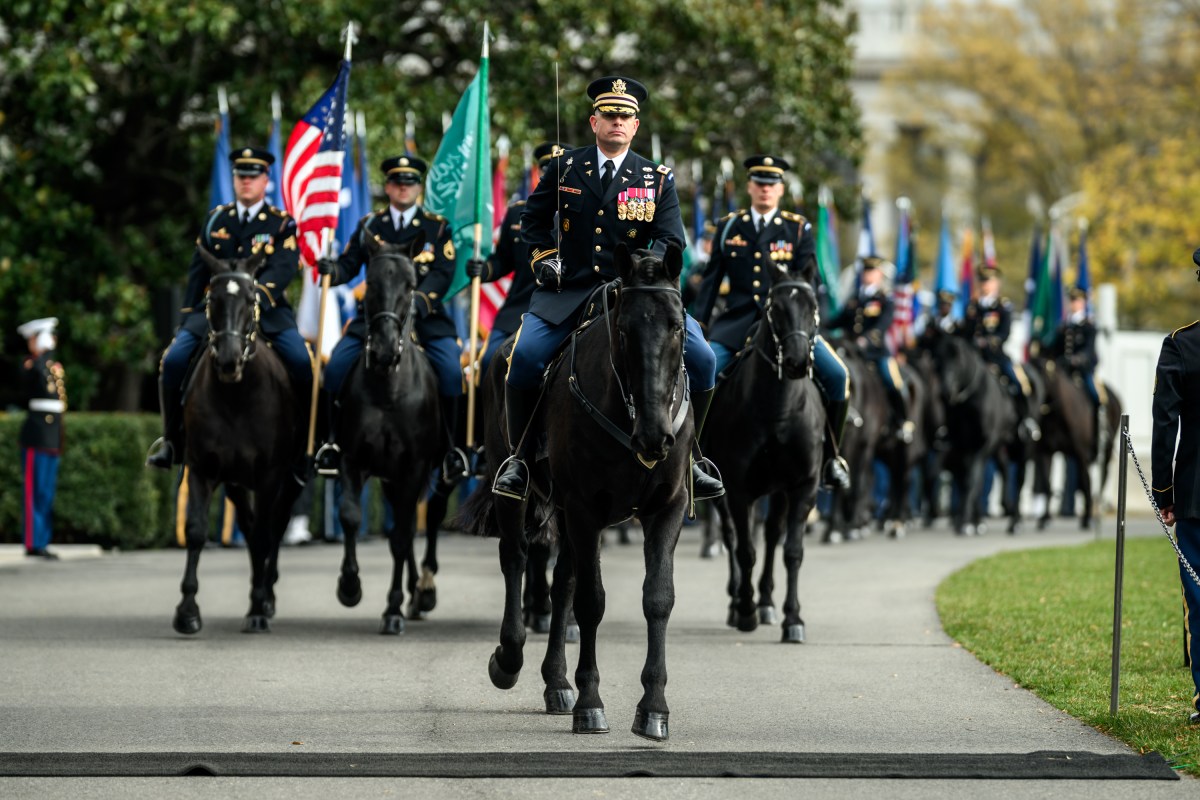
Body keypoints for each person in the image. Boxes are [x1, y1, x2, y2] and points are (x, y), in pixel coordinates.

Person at [493, 75, 721, 501]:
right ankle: (521, 461)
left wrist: (640, 271)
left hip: (639, 296)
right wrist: (544, 258)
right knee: (523, 359)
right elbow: (533, 222)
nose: (618, 122)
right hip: (569, 292)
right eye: (610, 115)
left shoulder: (656, 178)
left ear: (636, 127)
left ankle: (691, 458)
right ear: (594, 121)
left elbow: (671, 240)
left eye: (626, 117)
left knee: (705, 360)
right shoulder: (564, 168)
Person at [693, 155, 851, 491]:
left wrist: (811, 327)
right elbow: (710, 284)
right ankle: (693, 457)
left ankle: (831, 459)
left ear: (780, 189)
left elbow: (812, 284)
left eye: (772, 184)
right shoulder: (729, 227)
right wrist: (699, 325)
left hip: (788, 325)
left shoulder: (797, 229)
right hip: (735, 325)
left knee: (838, 376)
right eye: (760, 183)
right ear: (750, 187)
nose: (765, 190)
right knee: (700, 371)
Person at [147, 147, 310, 469]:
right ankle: (171, 441)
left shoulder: (280, 224)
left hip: (268, 308)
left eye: (253, 176)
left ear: (266, 180)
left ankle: (307, 443)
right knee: (174, 359)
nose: (246, 182)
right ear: (234, 179)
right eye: (241, 176)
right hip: (217, 312)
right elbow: (198, 273)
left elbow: (284, 267)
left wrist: (258, 298)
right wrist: (188, 317)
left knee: (302, 364)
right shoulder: (216, 220)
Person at [316, 155, 469, 487]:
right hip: (375, 319)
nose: (404, 187)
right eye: (398, 182)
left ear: (418, 187)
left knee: (451, 372)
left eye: (410, 182)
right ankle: (328, 443)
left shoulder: (437, 227)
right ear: (387, 187)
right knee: (335, 368)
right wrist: (332, 271)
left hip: (424, 317)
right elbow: (349, 264)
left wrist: (418, 302)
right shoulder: (370, 225)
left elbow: (443, 275)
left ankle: (452, 450)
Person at [467, 142, 571, 376]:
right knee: (488, 363)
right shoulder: (518, 213)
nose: (552, 174)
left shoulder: (586, 213)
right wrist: (484, 270)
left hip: (566, 306)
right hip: (519, 308)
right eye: (546, 169)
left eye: (559, 168)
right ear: (539, 173)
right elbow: (502, 260)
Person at [1150, 247, 1200, 725]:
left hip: (1195, 496)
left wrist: (1163, 493)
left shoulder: (1181, 346)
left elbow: (1164, 425)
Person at [826, 256, 913, 443]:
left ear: (879, 274)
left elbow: (882, 326)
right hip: (851, 350)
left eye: (871, 271)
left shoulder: (884, 299)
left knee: (892, 380)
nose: (868, 275)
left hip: (875, 352)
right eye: (865, 271)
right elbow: (837, 320)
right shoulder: (855, 299)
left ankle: (902, 420)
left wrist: (866, 340)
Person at [960, 265, 1040, 442]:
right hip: (974, 359)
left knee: (1019, 381)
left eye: (988, 282)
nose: (985, 285)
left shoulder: (1003, 306)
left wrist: (989, 340)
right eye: (982, 281)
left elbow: (1004, 332)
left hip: (995, 356)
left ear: (996, 284)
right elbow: (965, 332)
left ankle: (1026, 420)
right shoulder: (972, 308)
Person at [17, 317, 65, 559]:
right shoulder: (32, 365)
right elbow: (32, 377)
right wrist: (43, 353)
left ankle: (43, 540)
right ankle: (32, 542)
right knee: (34, 491)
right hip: (36, 436)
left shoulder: (52, 366)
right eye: (47, 335)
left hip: (52, 437)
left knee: (46, 491)